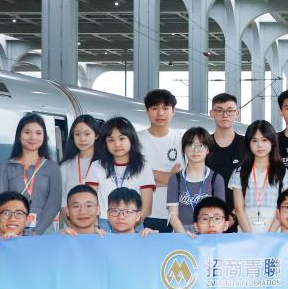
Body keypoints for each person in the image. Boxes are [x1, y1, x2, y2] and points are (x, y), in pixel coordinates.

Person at [0, 113, 61, 236]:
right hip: (13, 230)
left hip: (44, 232)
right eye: (27, 132)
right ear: (19, 135)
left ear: (44, 137)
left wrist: (37, 232)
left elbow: (54, 204)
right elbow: (2, 202)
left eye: (38, 133)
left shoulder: (52, 167)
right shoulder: (5, 167)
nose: (33, 137)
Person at [89, 116, 155, 225]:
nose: (117, 144)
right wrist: (96, 226)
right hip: (104, 225)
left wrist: (129, 227)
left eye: (122, 138)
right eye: (111, 140)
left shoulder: (143, 166)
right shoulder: (96, 166)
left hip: (134, 225)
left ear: (131, 139)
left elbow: (147, 208)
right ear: (105, 143)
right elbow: (90, 202)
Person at [229, 120, 288, 233]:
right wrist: (250, 236)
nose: (260, 145)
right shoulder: (239, 172)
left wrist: (270, 235)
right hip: (246, 232)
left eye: (264, 140)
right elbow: (238, 209)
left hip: (274, 232)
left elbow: (284, 207)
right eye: (254, 140)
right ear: (248, 143)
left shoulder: (282, 172)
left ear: (272, 142)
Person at [165, 127, 227, 235]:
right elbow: (172, 215)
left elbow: (219, 215)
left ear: (207, 150)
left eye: (201, 145)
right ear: (184, 149)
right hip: (182, 235)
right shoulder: (175, 179)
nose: (196, 150)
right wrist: (185, 236)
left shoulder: (216, 179)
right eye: (191, 145)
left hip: (209, 234)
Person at [138, 89, 183, 233]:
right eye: (154, 108)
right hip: (142, 213)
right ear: (147, 111)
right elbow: (133, 176)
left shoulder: (182, 140)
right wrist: (169, 177)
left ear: (173, 111)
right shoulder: (135, 140)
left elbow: (183, 180)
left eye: (165, 108)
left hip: (176, 214)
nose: (160, 113)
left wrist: (147, 177)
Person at [60, 115, 103, 207]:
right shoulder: (65, 167)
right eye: (77, 134)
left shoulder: (105, 165)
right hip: (72, 215)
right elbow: (62, 199)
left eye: (87, 134)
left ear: (96, 135)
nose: (82, 139)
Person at [206, 93, 245, 180]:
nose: (225, 115)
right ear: (211, 113)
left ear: (237, 113)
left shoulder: (247, 144)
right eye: (219, 111)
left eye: (230, 111)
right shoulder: (204, 144)